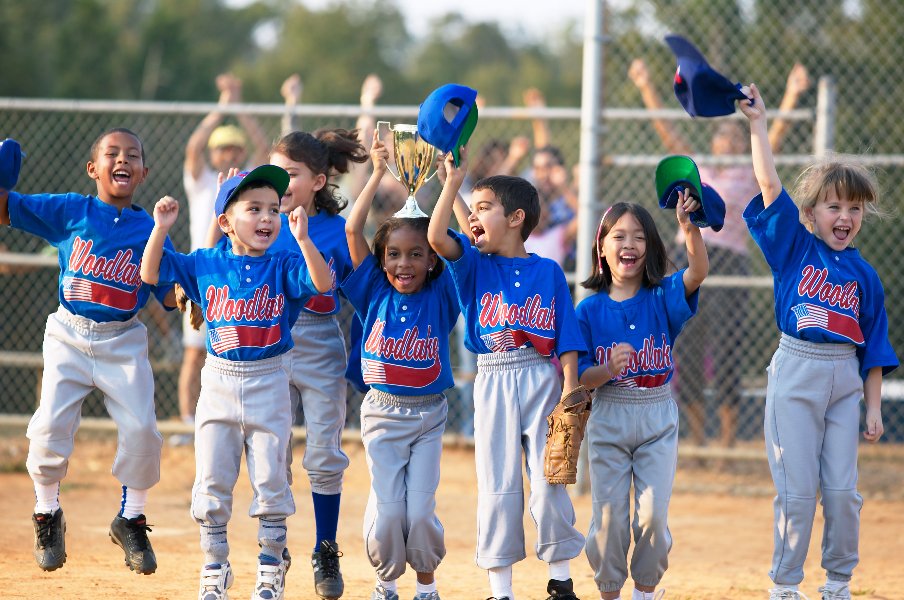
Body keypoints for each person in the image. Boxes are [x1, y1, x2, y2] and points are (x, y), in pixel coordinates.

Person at [140, 166, 333, 600]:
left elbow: (323, 284)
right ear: (225, 221)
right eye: (254, 209)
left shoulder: (284, 263)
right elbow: (150, 275)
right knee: (212, 479)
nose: (268, 218)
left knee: (270, 481)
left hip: (270, 382)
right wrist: (160, 228)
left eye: (273, 209)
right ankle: (215, 567)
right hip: (220, 382)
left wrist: (303, 239)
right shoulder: (206, 263)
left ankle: (269, 568)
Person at [737, 84, 897, 600]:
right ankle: (785, 585)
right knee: (799, 493)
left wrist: (873, 408)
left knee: (843, 494)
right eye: (833, 206)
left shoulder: (865, 275)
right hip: (797, 371)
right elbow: (767, 181)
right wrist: (759, 125)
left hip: (845, 380)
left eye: (853, 208)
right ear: (811, 213)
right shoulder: (793, 248)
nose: (844, 217)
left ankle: (838, 582)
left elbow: (873, 347)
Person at [0, 128, 176, 574]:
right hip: (69, 334)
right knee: (48, 428)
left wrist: (191, 289)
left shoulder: (151, 229)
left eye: (132, 155)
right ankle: (47, 512)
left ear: (144, 173)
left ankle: (131, 518)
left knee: (142, 431)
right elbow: (5, 209)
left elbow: (171, 296)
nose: (123, 160)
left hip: (123, 338)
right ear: (92, 169)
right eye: (112, 154)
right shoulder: (70, 210)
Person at [628, 57, 811, 448]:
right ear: (712, 143)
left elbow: (773, 134)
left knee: (728, 349)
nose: (725, 140)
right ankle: (695, 438)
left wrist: (792, 94)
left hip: (730, 262)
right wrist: (646, 85)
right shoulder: (700, 172)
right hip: (690, 256)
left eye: (733, 135)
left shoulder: (749, 169)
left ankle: (727, 441)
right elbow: (669, 134)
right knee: (689, 348)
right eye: (721, 136)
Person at [428, 167, 587, 600]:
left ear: (516, 218)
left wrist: (571, 387)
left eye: (485, 208)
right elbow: (439, 237)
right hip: (493, 375)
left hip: (540, 376)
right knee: (498, 484)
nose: (473, 217)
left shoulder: (549, 271)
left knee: (549, 479)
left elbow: (566, 333)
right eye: (472, 210)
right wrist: (451, 186)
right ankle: (501, 590)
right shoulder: (474, 266)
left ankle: (561, 578)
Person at [342, 134, 466, 600]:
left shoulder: (442, 293)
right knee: (390, 512)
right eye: (394, 254)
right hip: (381, 413)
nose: (404, 263)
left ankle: (427, 584)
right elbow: (354, 232)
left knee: (419, 513)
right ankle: (385, 581)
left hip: (429, 415)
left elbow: (459, 244)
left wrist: (451, 186)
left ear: (433, 260)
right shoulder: (373, 289)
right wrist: (376, 172)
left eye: (416, 254)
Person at [575, 196, 709, 600]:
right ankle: (610, 591)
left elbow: (698, 270)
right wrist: (607, 370)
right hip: (609, 415)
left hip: (656, 416)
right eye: (618, 236)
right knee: (611, 517)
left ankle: (645, 593)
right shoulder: (588, 309)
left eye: (638, 237)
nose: (628, 244)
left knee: (652, 516)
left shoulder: (662, 296)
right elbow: (582, 377)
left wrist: (688, 228)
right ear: (601, 246)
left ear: (649, 247)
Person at [267, 127, 367, 600]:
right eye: (274, 172)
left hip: (321, 342)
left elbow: (356, 288)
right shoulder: (261, 221)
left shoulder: (335, 230)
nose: (280, 182)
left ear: (318, 181)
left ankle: (325, 549)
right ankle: (276, 547)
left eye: (290, 174)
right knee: (274, 452)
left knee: (325, 452)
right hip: (269, 340)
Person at [176, 72, 271, 446]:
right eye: (223, 149)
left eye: (235, 148)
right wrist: (222, 106)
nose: (228, 154)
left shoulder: (244, 185)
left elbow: (265, 148)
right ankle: (187, 422)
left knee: (230, 349)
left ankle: (234, 421)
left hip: (237, 273)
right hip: (204, 271)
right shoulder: (201, 181)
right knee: (193, 354)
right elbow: (193, 147)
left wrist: (240, 106)